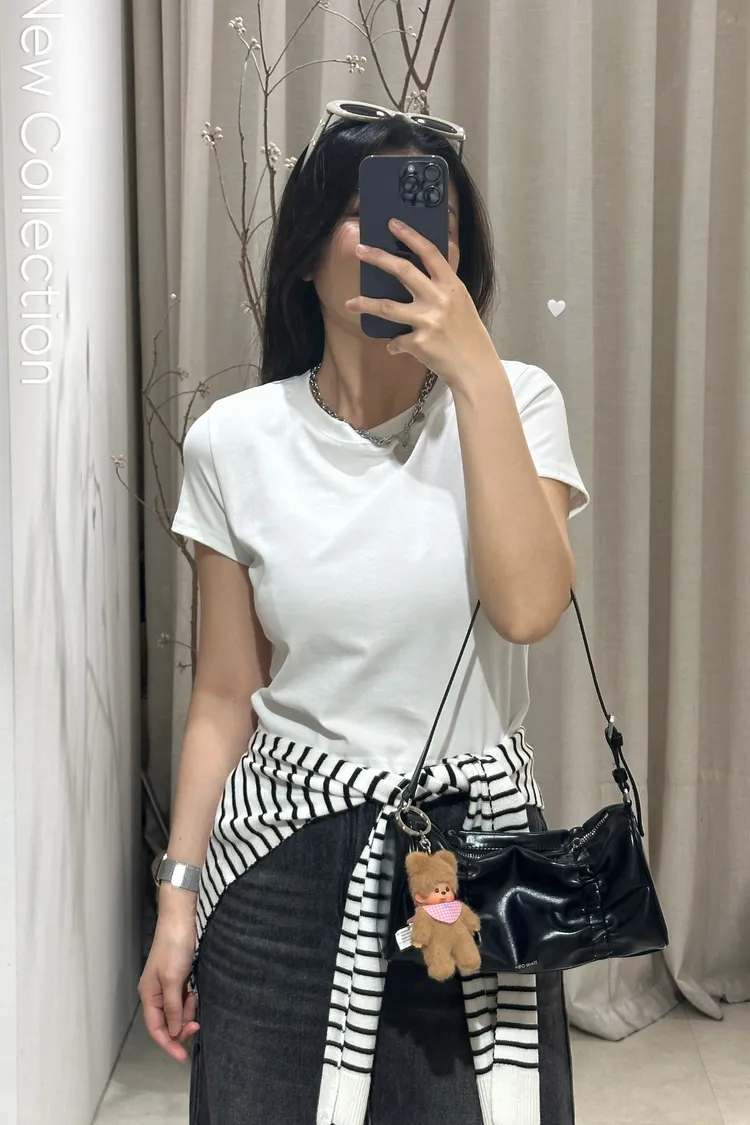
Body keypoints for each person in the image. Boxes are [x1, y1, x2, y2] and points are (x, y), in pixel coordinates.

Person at [138, 104, 589, 1125]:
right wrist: (176, 897)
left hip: (468, 852)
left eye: (433, 222)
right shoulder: (234, 441)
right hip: (282, 854)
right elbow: (225, 695)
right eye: (361, 212)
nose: (399, 240)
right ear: (306, 255)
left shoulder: (515, 401)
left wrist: (473, 372)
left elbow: (527, 609)